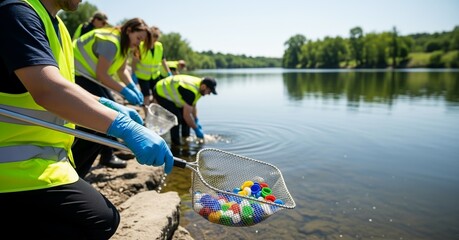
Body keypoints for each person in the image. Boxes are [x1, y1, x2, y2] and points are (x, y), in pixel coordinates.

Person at [0, 1, 173, 239]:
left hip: (39, 160)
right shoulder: (15, 11)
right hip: (10, 170)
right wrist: (123, 126)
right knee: (99, 222)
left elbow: (64, 85)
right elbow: (47, 89)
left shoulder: (58, 24)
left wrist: (106, 105)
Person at [72, 18, 148, 171]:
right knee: (105, 118)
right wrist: (124, 91)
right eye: (138, 38)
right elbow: (102, 75)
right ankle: (78, 167)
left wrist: (132, 86)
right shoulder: (111, 42)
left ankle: (107, 154)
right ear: (129, 30)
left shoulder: (123, 44)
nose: (139, 43)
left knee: (109, 117)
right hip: (75, 74)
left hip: (89, 76)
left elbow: (121, 70)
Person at [153, 74, 217, 145]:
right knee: (176, 118)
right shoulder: (191, 91)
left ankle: (185, 139)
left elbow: (193, 105)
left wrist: (196, 119)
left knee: (186, 120)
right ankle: (175, 144)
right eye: (209, 91)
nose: (209, 94)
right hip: (161, 91)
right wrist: (196, 129)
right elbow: (186, 115)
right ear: (204, 86)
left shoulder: (199, 88)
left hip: (173, 91)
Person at [132, 26, 172, 109]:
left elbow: (163, 61)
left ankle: (154, 114)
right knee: (146, 96)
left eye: (157, 36)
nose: (154, 38)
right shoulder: (140, 45)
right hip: (143, 76)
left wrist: (169, 73)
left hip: (155, 76)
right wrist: (133, 74)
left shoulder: (159, 46)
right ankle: (147, 117)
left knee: (157, 95)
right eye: (153, 35)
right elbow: (134, 61)